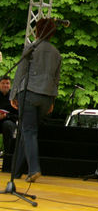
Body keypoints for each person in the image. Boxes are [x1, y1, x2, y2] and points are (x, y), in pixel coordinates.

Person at [11, 18, 61, 183]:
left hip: (30, 93)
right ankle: (16, 171)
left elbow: (20, 72)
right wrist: (52, 100)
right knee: (27, 132)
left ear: (38, 31)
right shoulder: (56, 53)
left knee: (28, 132)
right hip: (46, 96)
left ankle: (34, 169)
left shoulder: (31, 48)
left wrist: (13, 94)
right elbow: (56, 79)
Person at [0, 76, 18, 156]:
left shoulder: (14, 97)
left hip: (9, 122)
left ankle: (8, 155)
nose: (5, 85)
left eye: (7, 83)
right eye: (3, 83)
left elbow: (17, 115)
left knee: (7, 125)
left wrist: (6, 116)